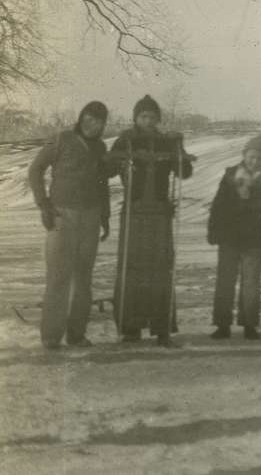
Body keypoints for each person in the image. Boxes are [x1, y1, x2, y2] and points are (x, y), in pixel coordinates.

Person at [106, 95, 194, 347]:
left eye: (152, 117)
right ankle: (130, 326)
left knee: (160, 268)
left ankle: (161, 324)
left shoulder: (166, 140)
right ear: (135, 118)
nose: (148, 121)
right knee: (131, 267)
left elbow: (184, 172)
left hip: (159, 212)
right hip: (134, 212)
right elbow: (108, 169)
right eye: (143, 116)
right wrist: (121, 160)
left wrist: (180, 148)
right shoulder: (126, 139)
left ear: (158, 119)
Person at [27, 101, 111, 350]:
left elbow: (102, 184)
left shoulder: (101, 148)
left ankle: (76, 334)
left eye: (99, 121)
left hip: (91, 217)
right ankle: (51, 337)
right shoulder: (62, 139)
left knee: (83, 278)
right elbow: (35, 170)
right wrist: (44, 203)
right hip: (62, 216)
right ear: (81, 117)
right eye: (89, 118)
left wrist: (104, 217)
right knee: (58, 277)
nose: (93, 124)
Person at [207, 136, 261, 340]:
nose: (254, 161)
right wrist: (213, 230)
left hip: (253, 238)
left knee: (251, 283)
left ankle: (249, 325)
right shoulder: (230, 175)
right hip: (229, 236)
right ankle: (222, 325)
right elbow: (218, 205)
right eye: (251, 156)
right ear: (244, 155)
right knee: (225, 281)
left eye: (259, 158)